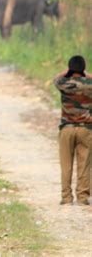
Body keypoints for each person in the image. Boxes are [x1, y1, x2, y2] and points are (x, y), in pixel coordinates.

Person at [54, 55, 92, 206]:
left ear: (70, 68)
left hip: (67, 129)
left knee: (66, 164)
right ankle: (82, 197)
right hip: (86, 129)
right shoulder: (90, 84)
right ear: (83, 69)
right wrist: (85, 73)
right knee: (84, 164)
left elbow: (56, 78)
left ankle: (66, 197)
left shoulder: (63, 83)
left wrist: (68, 71)